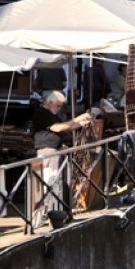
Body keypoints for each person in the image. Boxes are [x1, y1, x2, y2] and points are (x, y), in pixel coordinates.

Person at [31, 90, 93, 231]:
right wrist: (78, 119)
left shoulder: (53, 114)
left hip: (58, 151)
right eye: (58, 105)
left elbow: (67, 127)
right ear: (49, 102)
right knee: (50, 182)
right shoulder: (42, 113)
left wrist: (81, 123)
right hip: (48, 151)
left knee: (63, 182)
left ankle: (64, 213)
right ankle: (46, 216)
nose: (60, 108)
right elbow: (59, 128)